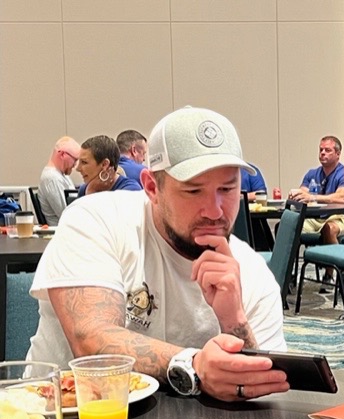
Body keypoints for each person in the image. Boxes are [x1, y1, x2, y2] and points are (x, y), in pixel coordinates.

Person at [26, 107, 289, 402]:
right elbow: (92, 342)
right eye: (193, 191)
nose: (215, 211)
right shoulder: (94, 220)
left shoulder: (251, 271)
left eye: (227, 189)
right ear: (152, 187)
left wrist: (233, 318)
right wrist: (193, 364)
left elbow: (262, 389)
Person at [290, 136, 344, 284]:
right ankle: (288, 275)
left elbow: (341, 198)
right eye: (321, 150)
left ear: (338, 154)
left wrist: (313, 198)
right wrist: (296, 194)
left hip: (341, 218)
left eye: (327, 150)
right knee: (288, 228)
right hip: (315, 219)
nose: (323, 153)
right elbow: (302, 193)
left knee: (329, 228)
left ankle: (331, 275)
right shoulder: (312, 174)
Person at [76, 135, 143, 196]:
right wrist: (90, 190)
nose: (78, 168)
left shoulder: (130, 189)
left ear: (105, 164)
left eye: (84, 162)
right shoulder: (84, 189)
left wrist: (91, 192)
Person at [38, 136, 81, 225]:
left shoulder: (61, 176)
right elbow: (66, 214)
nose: (75, 165)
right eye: (75, 159)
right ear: (62, 155)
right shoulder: (51, 178)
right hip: (64, 232)